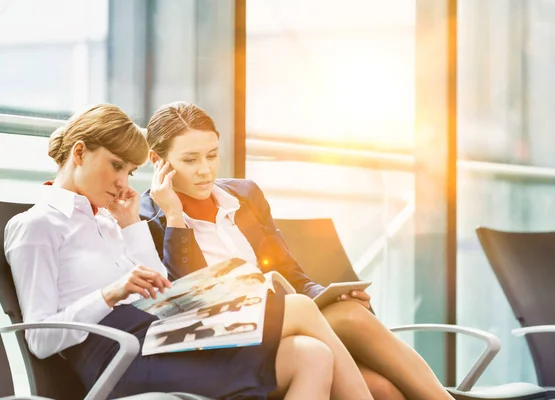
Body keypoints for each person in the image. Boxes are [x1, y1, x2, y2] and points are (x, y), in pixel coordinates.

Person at [4, 104, 373, 400]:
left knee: (312, 355)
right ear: (80, 153)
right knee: (300, 308)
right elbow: (39, 339)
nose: (122, 182)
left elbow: (163, 291)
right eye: (116, 166)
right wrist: (110, 293)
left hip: (169, 337)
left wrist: (132, 225)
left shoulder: (113, 219)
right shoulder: (36, 226)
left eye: (130, 172)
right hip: (123, 358)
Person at [140, 101, 456, 400]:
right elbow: (186, 301)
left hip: (284, 321)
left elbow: (290, 273)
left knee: (378, 376)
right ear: (158, 161)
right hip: (224, 339)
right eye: (190, 160)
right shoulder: (147, 219)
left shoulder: (245, 195)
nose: (205, 170)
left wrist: (331, 294)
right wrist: (175, 218)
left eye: (212, 155)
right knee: (361, 368)